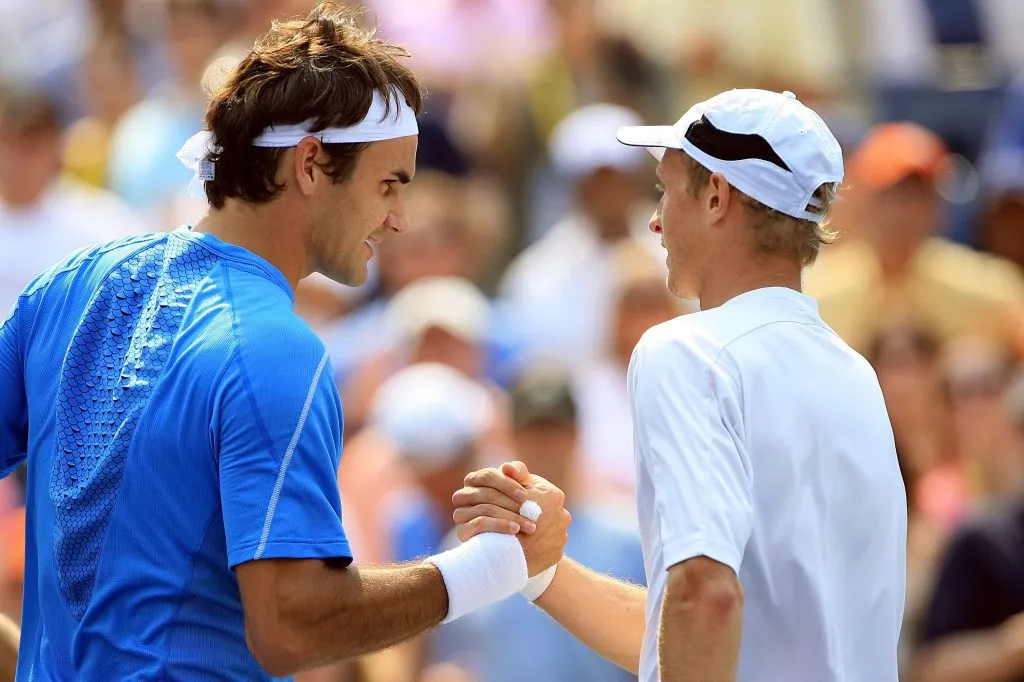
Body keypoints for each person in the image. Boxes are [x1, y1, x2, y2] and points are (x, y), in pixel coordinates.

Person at [0, 4, 569, 680]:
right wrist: (494, 565)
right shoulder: (275, 349)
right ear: (309, 164)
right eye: (388, 184)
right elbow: (293, 623)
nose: (398, 218)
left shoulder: (73, 282)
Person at [452, 89, 907, 681]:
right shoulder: (857, 374)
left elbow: (706, 597)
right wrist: (545, 570)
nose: (655, 219)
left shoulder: (687, 349)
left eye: (666, 189)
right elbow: (694, 630)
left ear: (716, 196)